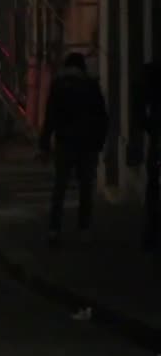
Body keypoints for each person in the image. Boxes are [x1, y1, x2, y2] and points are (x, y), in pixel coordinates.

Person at [39, 52, 109, 248]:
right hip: (87, 144)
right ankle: (84, 229)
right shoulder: (90, 85)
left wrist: (44, 144)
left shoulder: (59, 86)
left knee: (59, 188)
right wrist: (99, 143)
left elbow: (50, 117)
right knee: (85, 188)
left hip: (65, 143)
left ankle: (54, 230)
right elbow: (102, 117)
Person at [136, 61, 161, 249]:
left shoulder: (152, 71)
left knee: (154, 185)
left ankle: (151, 231)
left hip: (157, 137)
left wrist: (149, 127)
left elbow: (139, 105)